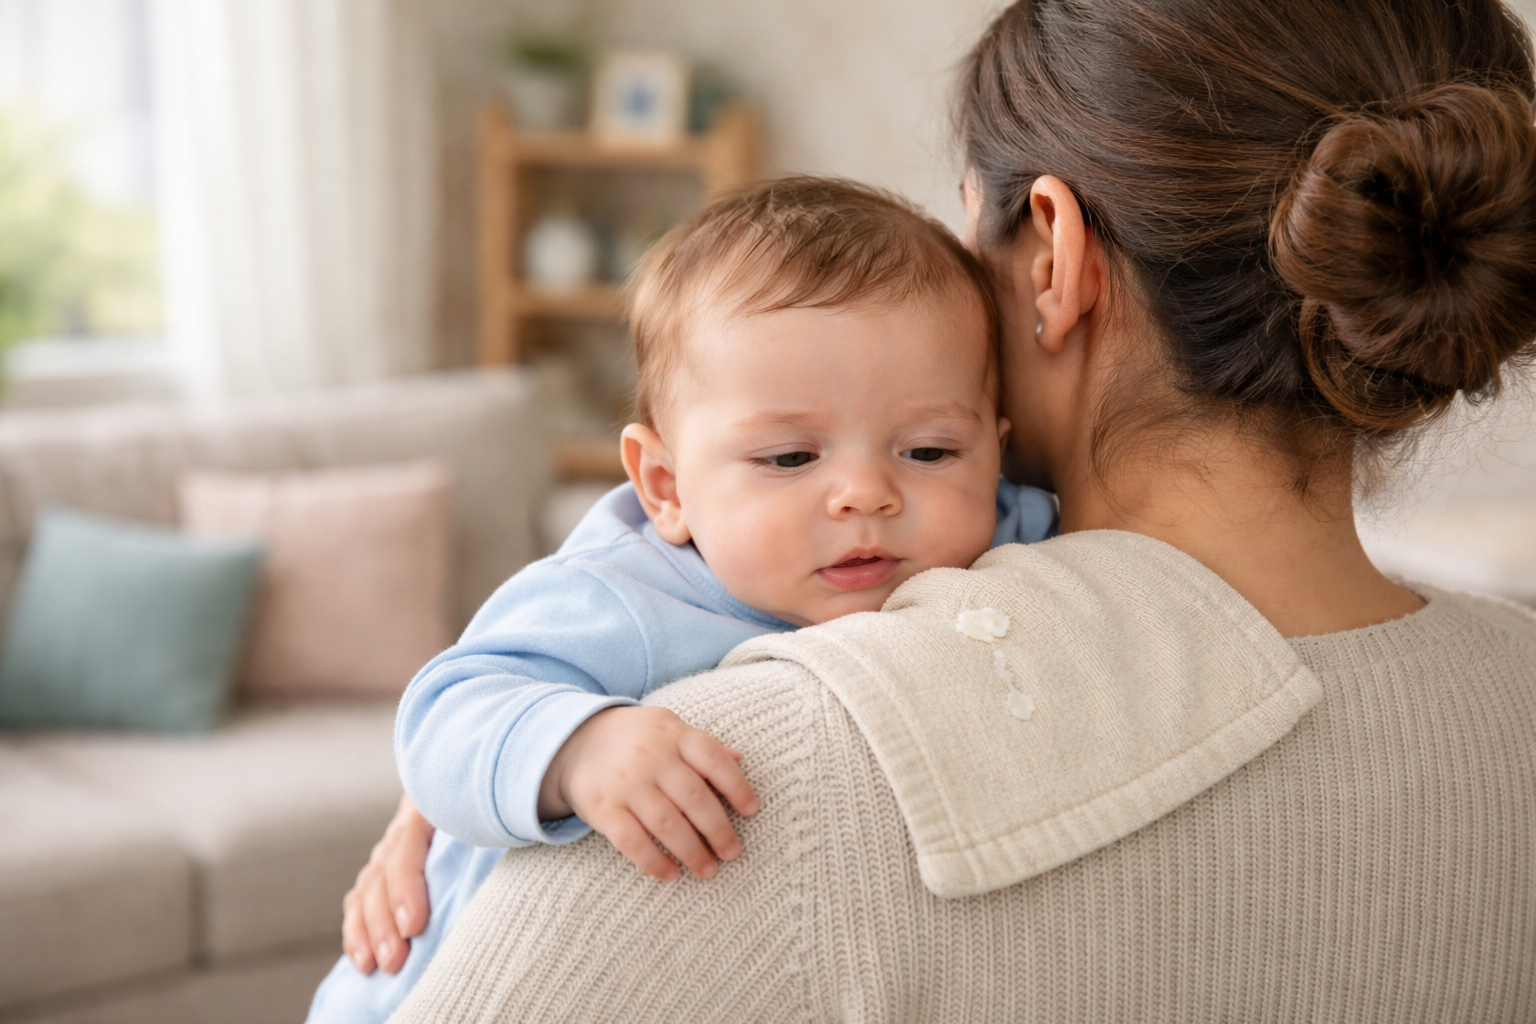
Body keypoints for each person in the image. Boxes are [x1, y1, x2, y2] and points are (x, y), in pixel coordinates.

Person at [355, 0, 1536, 1019]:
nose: (865, 490)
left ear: (1055, 256)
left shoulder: (757, 784)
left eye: (971, 224)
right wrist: (498, 745)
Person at [306, 178, 1059, 1023]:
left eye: (927, 450)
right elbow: (444, 713)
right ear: (666, 486)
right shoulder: (622, 592)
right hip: (423, 981)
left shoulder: (1007, 534)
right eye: (788, 459)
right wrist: (579, 747)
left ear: (994, 456)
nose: (865, 493)